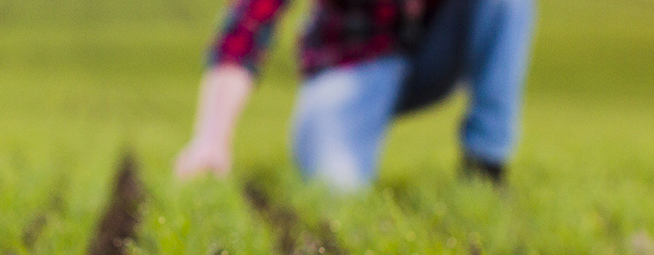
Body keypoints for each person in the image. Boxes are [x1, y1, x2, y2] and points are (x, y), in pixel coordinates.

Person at [173, 0, 536, 191]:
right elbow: (248, 24)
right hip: (349, 67)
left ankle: (485, 166)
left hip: (429, 57)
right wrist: (212, 137)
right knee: (335, 187)